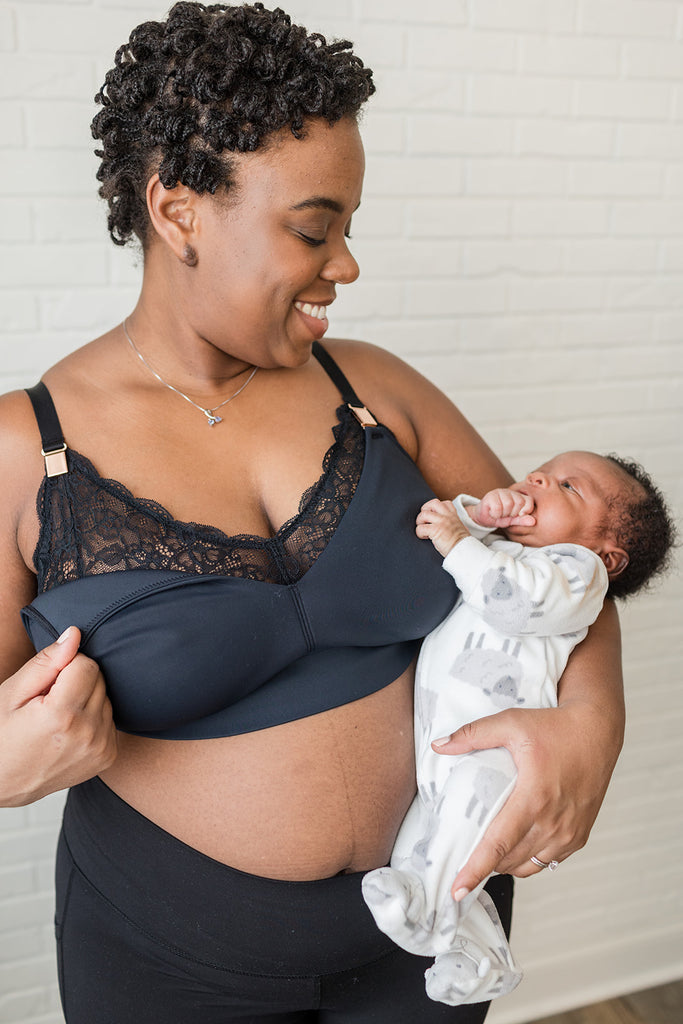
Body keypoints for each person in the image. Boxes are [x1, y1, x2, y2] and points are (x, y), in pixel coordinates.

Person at [0, 4, 626, 1022]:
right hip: (173, 962)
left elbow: (566, 575)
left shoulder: (374, 389)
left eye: (348, 227)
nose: (345, 264)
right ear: (177, 210)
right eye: (312, 227)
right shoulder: (26, 453)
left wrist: (592, 729)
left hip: (429, 935)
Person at [363, 451, 674, 1007]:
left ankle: (430, 913)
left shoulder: (578, 577)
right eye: (541, 471)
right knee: (427, 848)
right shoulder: (499, 549)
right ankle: (481, 956)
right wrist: (480, 516)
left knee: (445, 848)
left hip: (496, 754)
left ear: (608, 553)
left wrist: (461, 539)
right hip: (446, 752)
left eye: (567, 487)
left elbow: (511, 600)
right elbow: (450, 529)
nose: (537, 481)